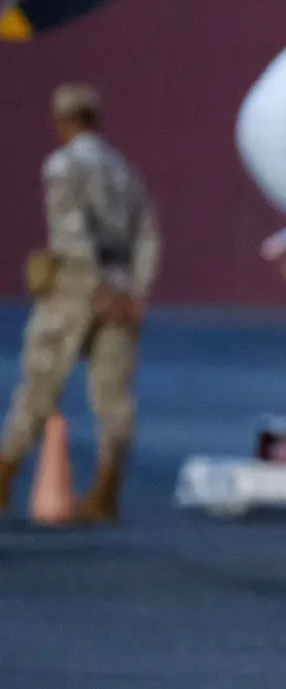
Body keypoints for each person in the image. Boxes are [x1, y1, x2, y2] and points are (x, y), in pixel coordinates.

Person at [0, 83, 160, 523]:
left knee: (38, 387)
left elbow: (70, 232)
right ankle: (106, 492)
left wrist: (95, 288)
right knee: (113, 397)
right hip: (121, 294)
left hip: (74, 293)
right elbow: (147, 233)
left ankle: (5, 476)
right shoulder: (122, 170)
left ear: (64, 120)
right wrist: (133, 294)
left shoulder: (63, 166)